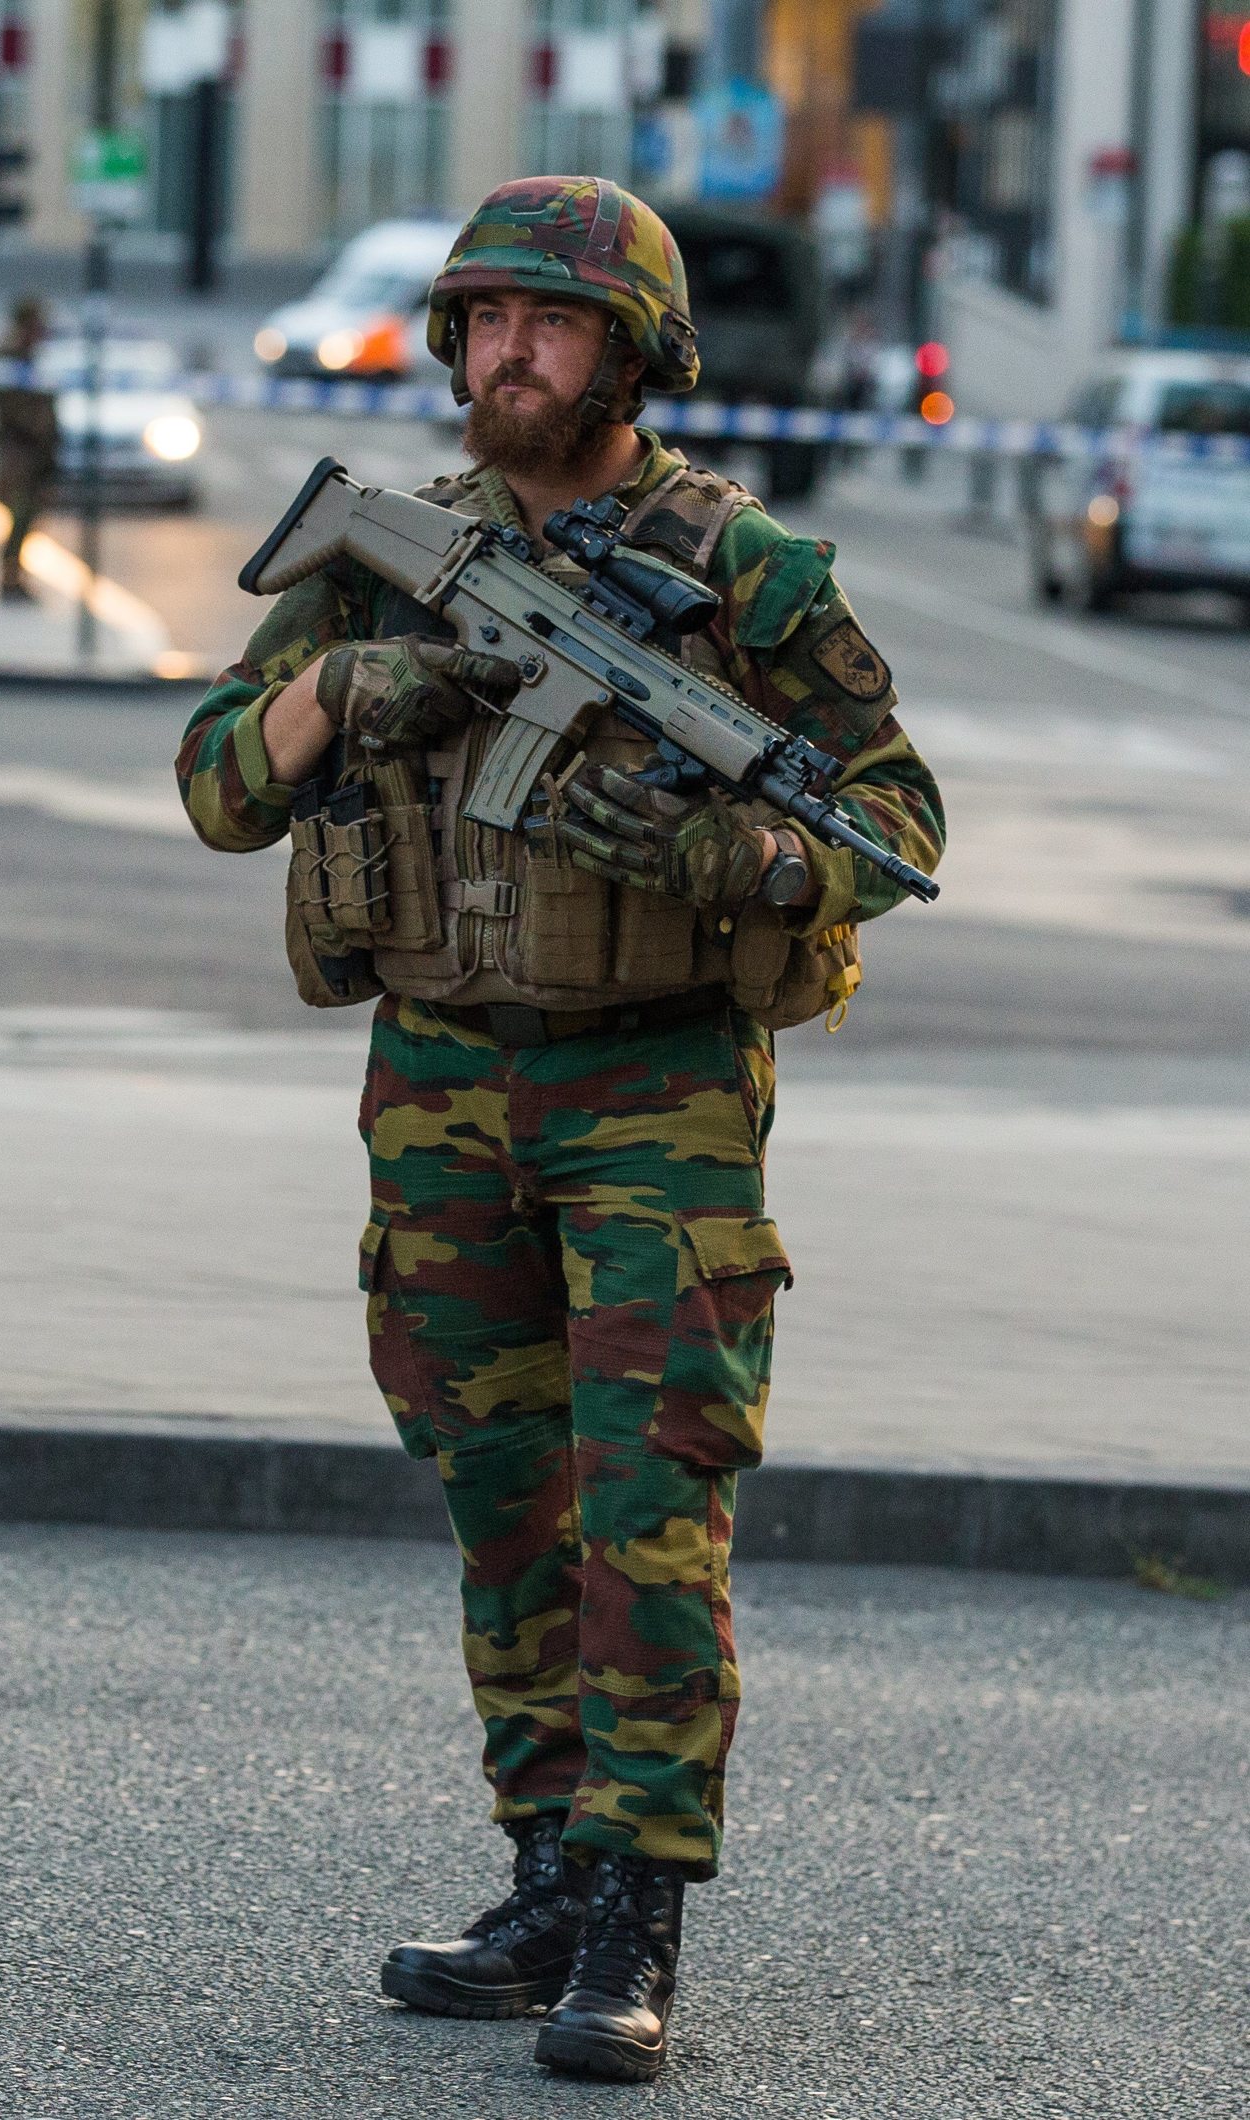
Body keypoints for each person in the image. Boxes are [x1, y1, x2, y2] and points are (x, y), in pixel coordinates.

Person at [174, 176, 944, 2083]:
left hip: (655, 1090)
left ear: (637, 354)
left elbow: (894, 833)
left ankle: (633, 1914)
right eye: (485, 323)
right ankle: (536, 1873)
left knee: (651, 1506)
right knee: (499, 1497)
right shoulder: (387, 556)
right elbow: (212, 785)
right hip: (441, 1081)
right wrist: (349, 686)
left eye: (555, 324)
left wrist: (712, 847)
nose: (510, 354)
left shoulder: (744, 574)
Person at [0, 296, 59, 602]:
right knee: (19, 515)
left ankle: (15, 575)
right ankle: (9, 577)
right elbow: (12, 407)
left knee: (29, 517)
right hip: (19, 452)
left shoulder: (30, 356)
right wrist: (39, 427)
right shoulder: (9, 357)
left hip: (35, 453)